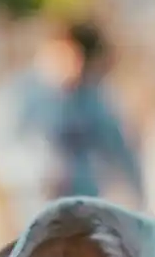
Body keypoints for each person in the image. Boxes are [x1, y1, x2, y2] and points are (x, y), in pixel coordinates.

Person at [16, 21, 146, 207]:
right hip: (39, 203)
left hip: (84, 202)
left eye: (74, 59)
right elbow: (11, 149)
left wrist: (137, 194)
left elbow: (119, 148)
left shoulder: (92, 101)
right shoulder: (29, 96)